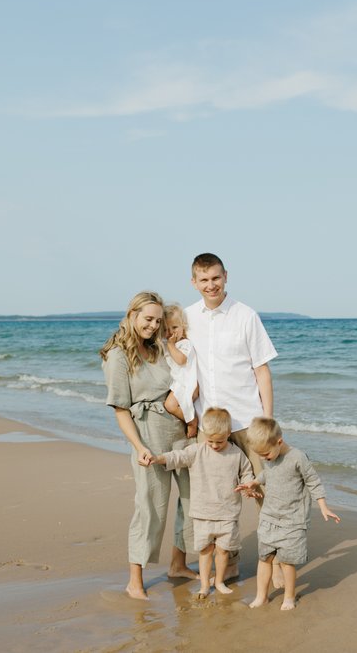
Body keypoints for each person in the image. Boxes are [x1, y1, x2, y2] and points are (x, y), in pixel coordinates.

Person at [185, 252, 277, 579]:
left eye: (216, 278)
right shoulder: (186, 318)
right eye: (204, 280)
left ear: (226, 276)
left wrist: (268, 420)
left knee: (265, 493)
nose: (211, 285)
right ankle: (231, 561)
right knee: (221, 499)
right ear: (194, 283)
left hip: (248, 422)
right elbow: (181, 369)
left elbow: (262, 370)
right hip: (210, 426)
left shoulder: (246, 315)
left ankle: (276, 562)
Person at [100, 291, 196, 600]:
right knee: (151, 506)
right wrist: (139, 446)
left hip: (178, 426)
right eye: (148, 319)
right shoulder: (117, 355)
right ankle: (135, 580)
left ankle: (178, 564)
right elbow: (120, 409)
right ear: (132, 315)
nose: (153, 326)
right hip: (147, 431)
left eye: (158, 321)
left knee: (192, 498)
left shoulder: (158, 348)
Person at [235, 417, 341, 611]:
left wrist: (323, 506)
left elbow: (313, 481)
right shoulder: (268, 456)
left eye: (266, 454)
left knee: (287, 562)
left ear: (279, 442)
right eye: (260, 455)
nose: (265, 458)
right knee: (264, 558)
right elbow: (268, 473)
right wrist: (255, 482)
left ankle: (289, 597)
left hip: (293, 520)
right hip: (269, 517)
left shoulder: (297, 457)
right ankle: (261, 596)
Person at [149, 407, 254, 598]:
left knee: (223, 551)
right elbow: (177, 457)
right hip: (203, 513)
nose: (214, 446)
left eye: (219, 442)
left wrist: (247, 485)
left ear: (228, 434)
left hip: (227, 513)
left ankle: (220, 581)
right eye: (210, 441)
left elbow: (246, 471)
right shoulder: (197, 450)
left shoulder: (236, 454)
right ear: (204, 434)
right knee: (205, 551)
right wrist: (158, 459)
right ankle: (205, 585)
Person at [162, 304, 199, 438]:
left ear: (184, 327)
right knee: (172, 405)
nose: (171, 332)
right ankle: (189, 418)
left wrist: (170, 345)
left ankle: (191, 421)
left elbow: (181, 360)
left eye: (175, 327)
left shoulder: (185, 344)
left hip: (186, 382)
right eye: (166, 329)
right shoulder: (170, 344)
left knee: (170, 405)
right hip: (178, 382)